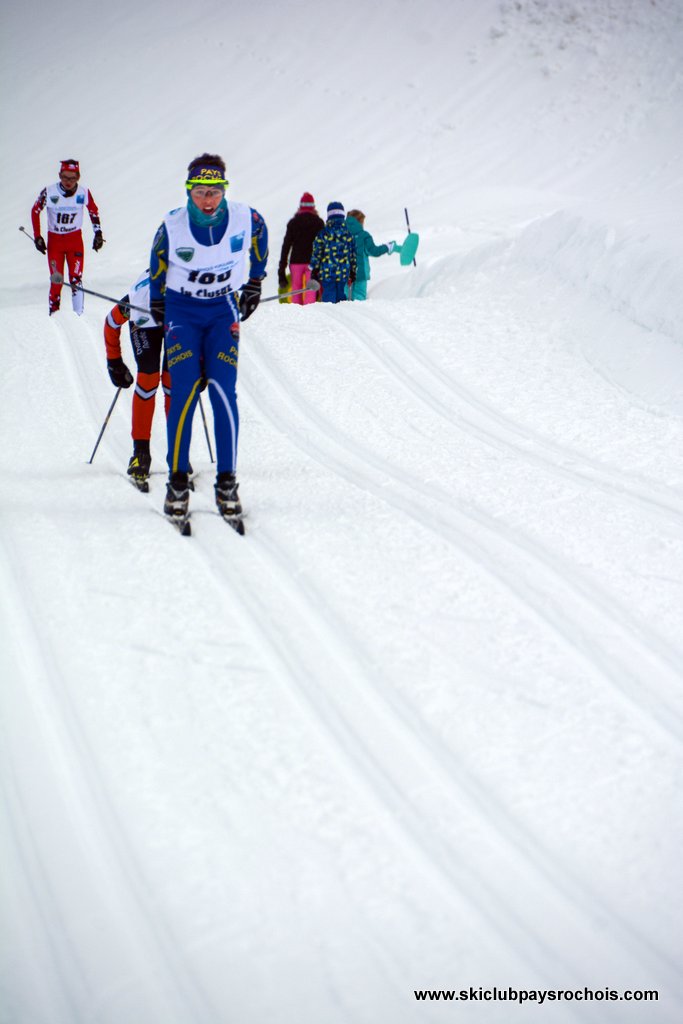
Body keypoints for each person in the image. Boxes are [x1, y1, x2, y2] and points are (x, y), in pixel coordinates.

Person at [149, 153, 268, 526]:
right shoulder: (173, 225)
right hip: (183, 314)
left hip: (222, 313)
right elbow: (157, 261)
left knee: (223, 392)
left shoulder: (246, 217)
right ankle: (178, 482)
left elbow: (261, 240)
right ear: (189, 191)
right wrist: (157, 301)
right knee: (183, 391)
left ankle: (227, 482)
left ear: (224, 190)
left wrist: (255, 281)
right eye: (200, 192)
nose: (208, 200)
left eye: (215, 191)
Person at [102, 269, 171, 489]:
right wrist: (114, 361)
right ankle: (140, 452)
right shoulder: (135, 299)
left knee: (176, 380)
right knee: (148, 377)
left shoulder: (188, 293)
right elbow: (111, 323)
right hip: (145, 325)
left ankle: (178, 451)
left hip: (177, 319)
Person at [30, 159, 104, 316]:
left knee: (76, 279)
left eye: (72, 178)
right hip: (55, 241)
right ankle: (54, 315)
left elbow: (93, 211)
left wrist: (98, 234)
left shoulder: (83, 192)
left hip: (75, 241)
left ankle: (79, 315)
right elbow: (35, 210)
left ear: (78, 176)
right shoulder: (49, 192)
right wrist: (38, 236)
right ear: (59, 175)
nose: (68, 182)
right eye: (64, 177)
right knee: (57, 280)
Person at [278, 193, 324, 305]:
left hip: (296, 262)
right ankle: (309, 314)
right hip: (312, 262)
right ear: (313, 206)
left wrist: (281, 271)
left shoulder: (293, 222)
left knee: (296, 289)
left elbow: (286, 246)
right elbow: (323, 246)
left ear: (300, 206)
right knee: (310, 290)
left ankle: (297, 314)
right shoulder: (319, 222)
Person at [309, 202, 357, 304]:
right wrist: (353, 271)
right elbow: (353, 254)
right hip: (343, 272)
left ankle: (329, 316)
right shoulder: (348, 234)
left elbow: (317, 253)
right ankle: (341, 315)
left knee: (328, 296)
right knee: (341, 296)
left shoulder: (323, 234)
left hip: (327, 273)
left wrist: (315, 269)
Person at [345, 210, 396, 301]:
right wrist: (387, 247)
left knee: (344, 300)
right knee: (359, 298)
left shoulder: (341, 235)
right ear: (360, 222)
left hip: (343, 273)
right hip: (360, 273)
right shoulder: (364, 236)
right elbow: (374, 251)